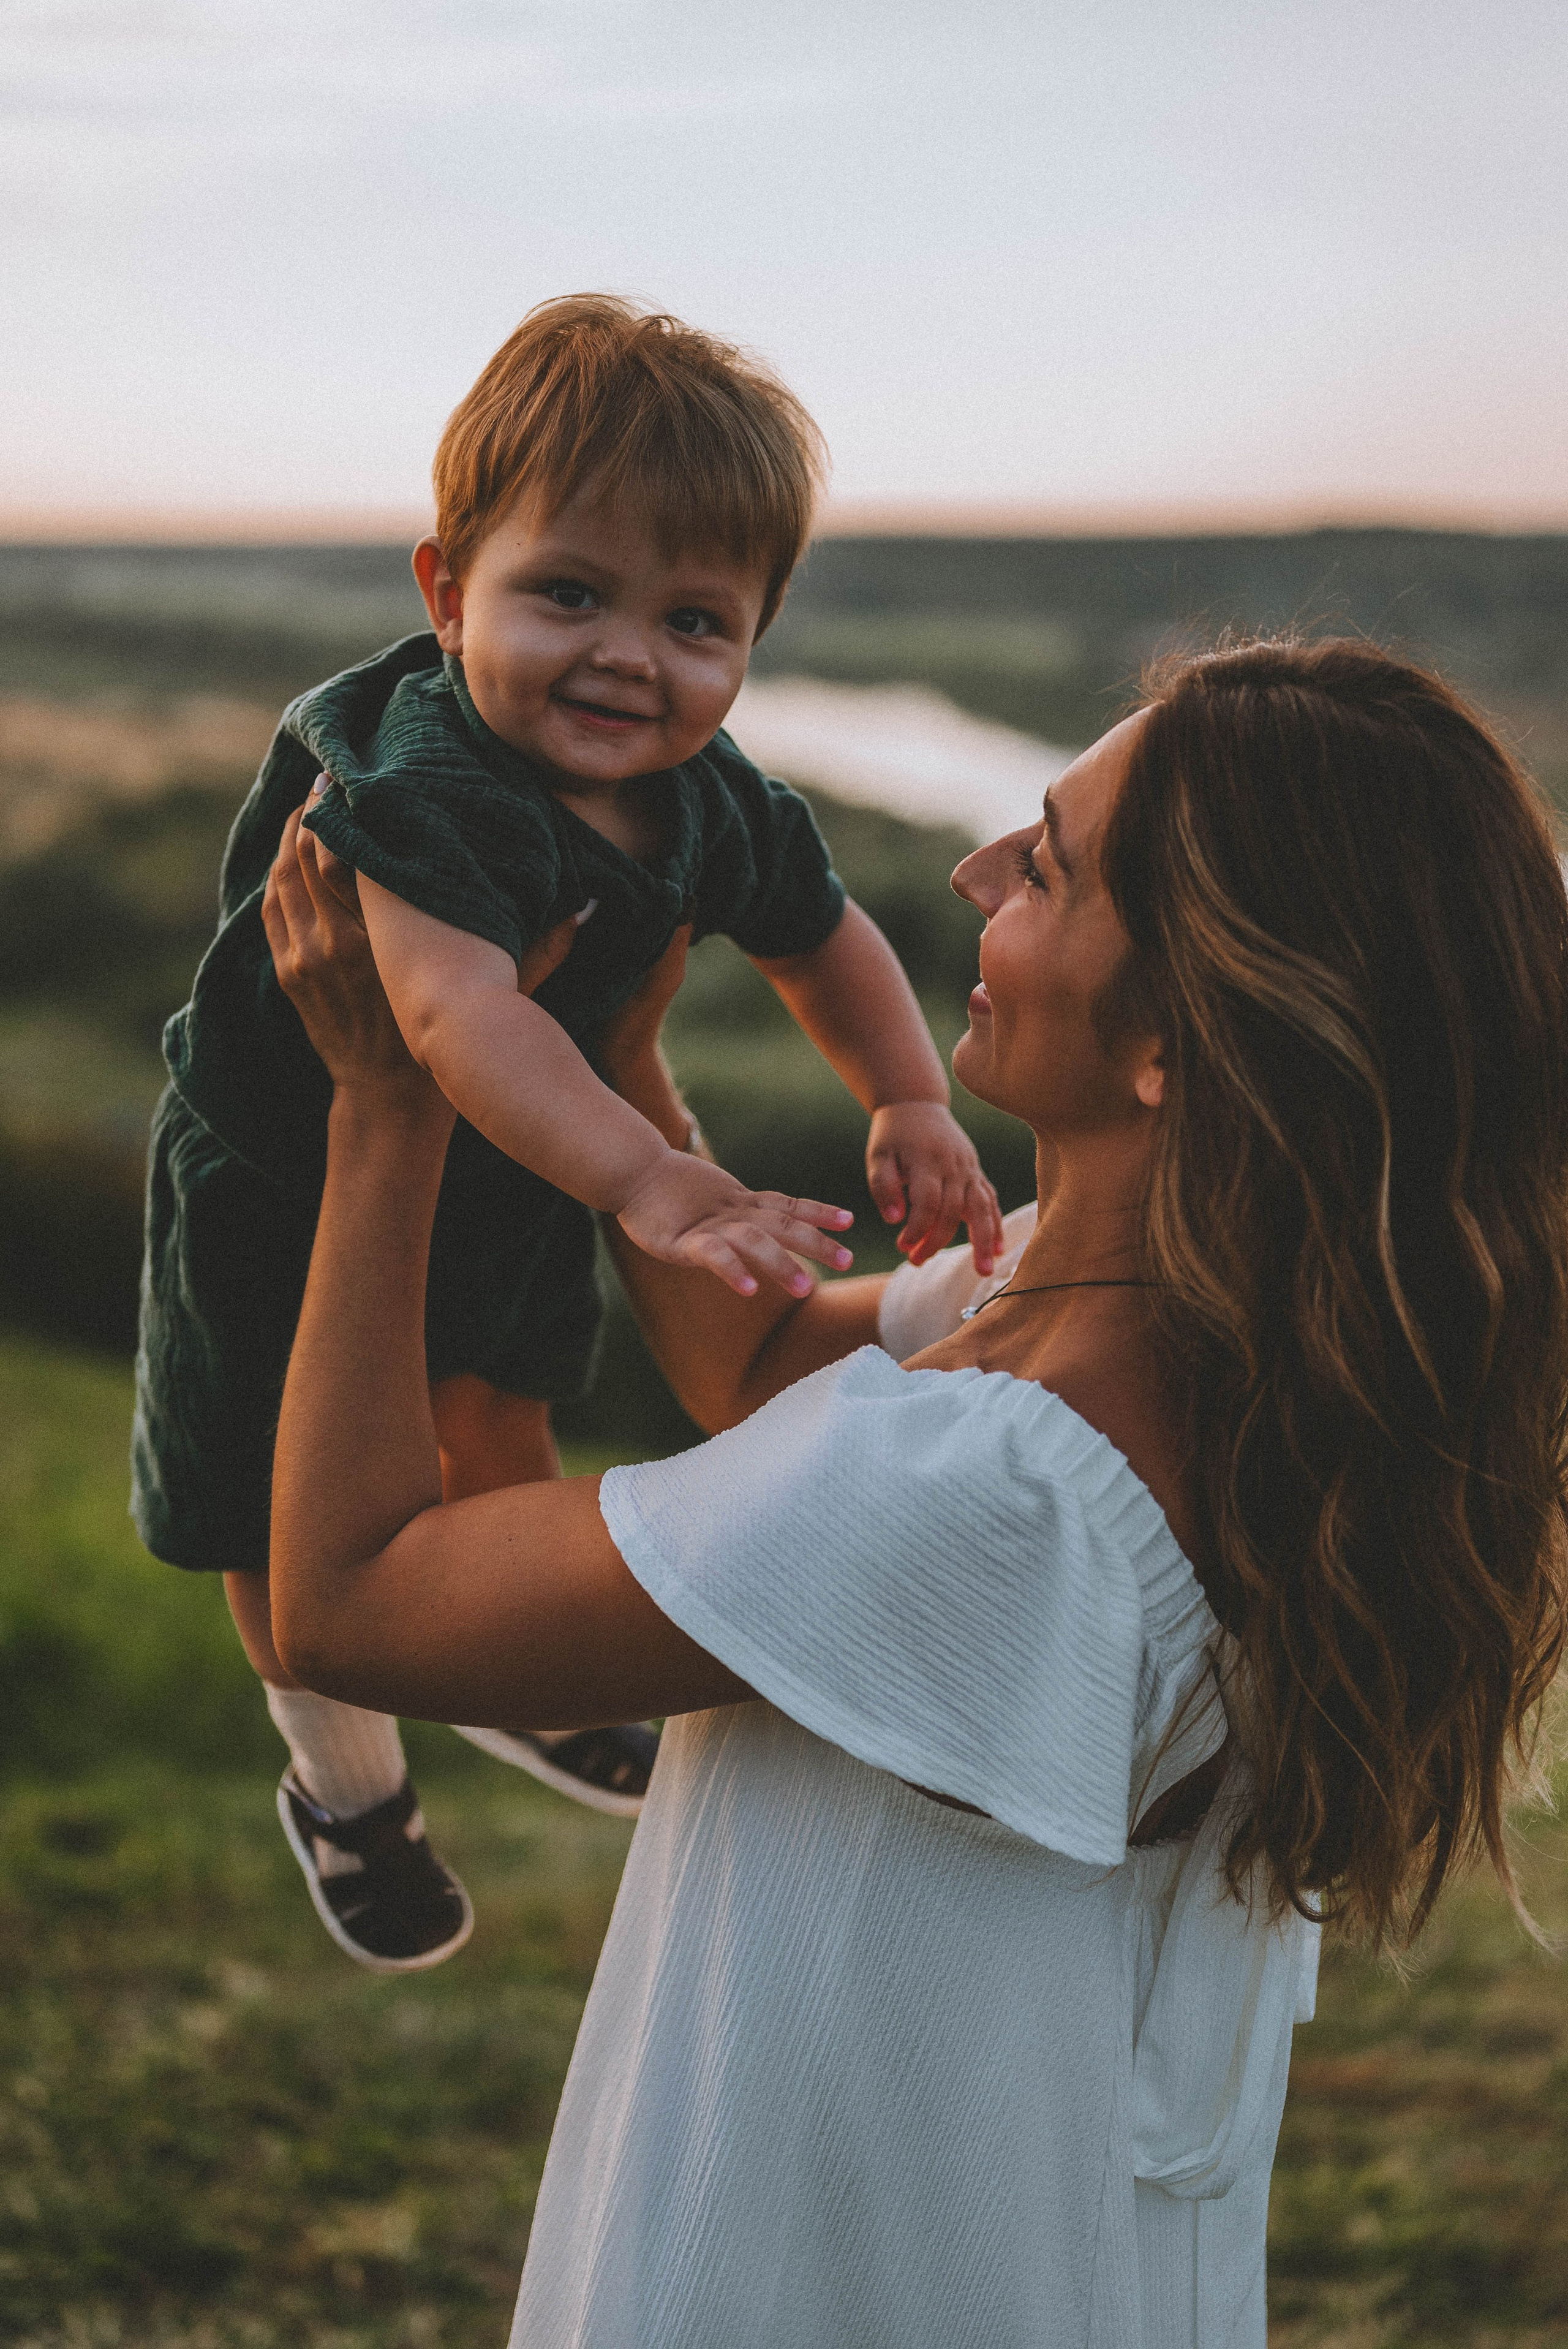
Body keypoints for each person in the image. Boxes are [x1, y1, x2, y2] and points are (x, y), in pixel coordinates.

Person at [263, 637, 1568, 2346]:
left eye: (1045, 863)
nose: (972, 872)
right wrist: (631, 1069)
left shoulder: (991, 1493)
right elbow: (760, 1373)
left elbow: (351, 1596)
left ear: (1173, 1040)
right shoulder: (1183, 1321)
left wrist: (389, 1100)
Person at [131, 294, 1001, 1971]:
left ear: (753, 639)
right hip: (288, 1185)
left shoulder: (705, 791)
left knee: (500, 1411)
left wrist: (905, 1091)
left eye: (695, 620)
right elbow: (454, 1020)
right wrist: (653, 1173)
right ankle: (349, 1786)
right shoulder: (425, 781)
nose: (629, 656)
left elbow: (821, 931)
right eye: (569, 594)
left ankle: (502, 1671)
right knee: (273, 1503)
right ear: (448, 589)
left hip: (516, 1169)